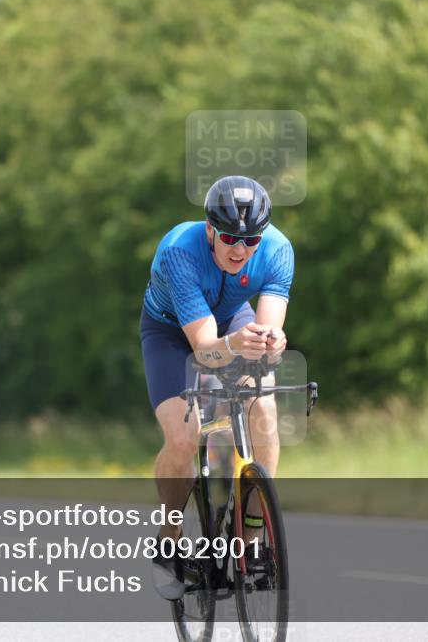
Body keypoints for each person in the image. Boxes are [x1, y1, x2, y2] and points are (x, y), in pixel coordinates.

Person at [140, 176, 294, 599]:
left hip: (231, 320)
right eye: (229, 237)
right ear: (209, 229)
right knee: (183, 437)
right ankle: (169, 539)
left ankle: (252, 535)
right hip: (172, 332)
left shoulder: (279, 250)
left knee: (262, 407)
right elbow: (205, 351)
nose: (240, 250)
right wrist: (231, 346)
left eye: (250, 241)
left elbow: (267, 332)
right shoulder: (179, 252)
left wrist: (271, 344)